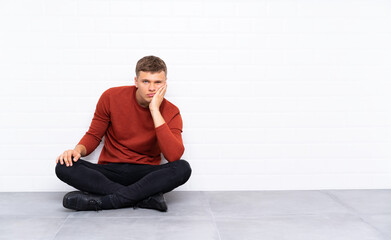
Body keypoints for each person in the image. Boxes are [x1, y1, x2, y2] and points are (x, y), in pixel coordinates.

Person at [55, 56, 192, 212]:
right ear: (136, 81)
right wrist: (76, 151)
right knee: (63, 166)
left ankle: (104, 202)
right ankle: (144, 198)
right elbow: (94, 135)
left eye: (157, 82)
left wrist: (154, 109)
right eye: (146, 81)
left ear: (165, 83)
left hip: (145, 175)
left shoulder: (171, 111)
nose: (152, 88)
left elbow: (174, 156)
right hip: (110, 171)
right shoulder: (111, 97)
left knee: (183, 168)